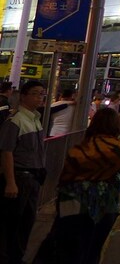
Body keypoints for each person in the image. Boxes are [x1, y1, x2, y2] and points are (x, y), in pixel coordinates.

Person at [32, 106, 120, 264]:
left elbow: (66, 178)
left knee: (68, 249)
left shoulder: (81, 147)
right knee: (92, 249)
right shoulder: (119, 148)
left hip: (73, 201)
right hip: (104, 204)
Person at [0, 81, 48, 263]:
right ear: (23, 96)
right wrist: (10, 182)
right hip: (20, 178)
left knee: (27, 222)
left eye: (42, 94)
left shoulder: (35, 119)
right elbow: (6, 151)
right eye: (35, 93)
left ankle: (17, 256)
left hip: (33, 179)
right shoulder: (16, 120)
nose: (39, 97)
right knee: (12, 223)